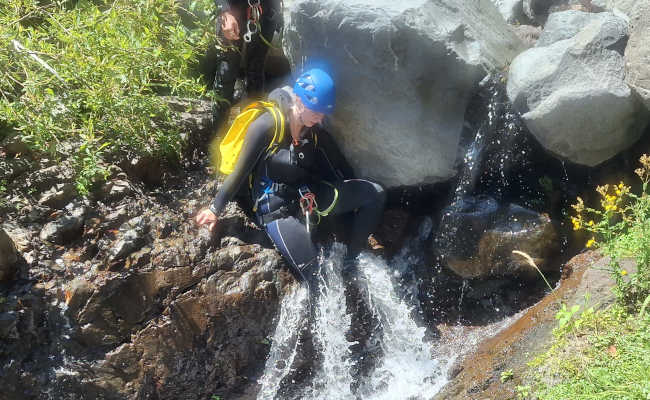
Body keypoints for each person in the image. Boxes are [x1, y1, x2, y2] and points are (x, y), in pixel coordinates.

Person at [196, 68, 386, 279]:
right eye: (315, 110)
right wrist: (215, 209)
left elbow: (340, 171)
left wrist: (350, 212)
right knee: (316, 277)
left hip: (310, 198)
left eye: (323, 112)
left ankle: (351, 262)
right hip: (277, 208)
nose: (319, 117)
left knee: (375, 192)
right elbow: (241, 171)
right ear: (299, 100)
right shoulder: (267, 125)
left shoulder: (315, 132)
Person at [212, 0, 281, 128]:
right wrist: (224, 11)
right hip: (233, 10)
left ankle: (251, 131)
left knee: (256, 74)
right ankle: (217, 132)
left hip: (265, 13)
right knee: (226, 75)